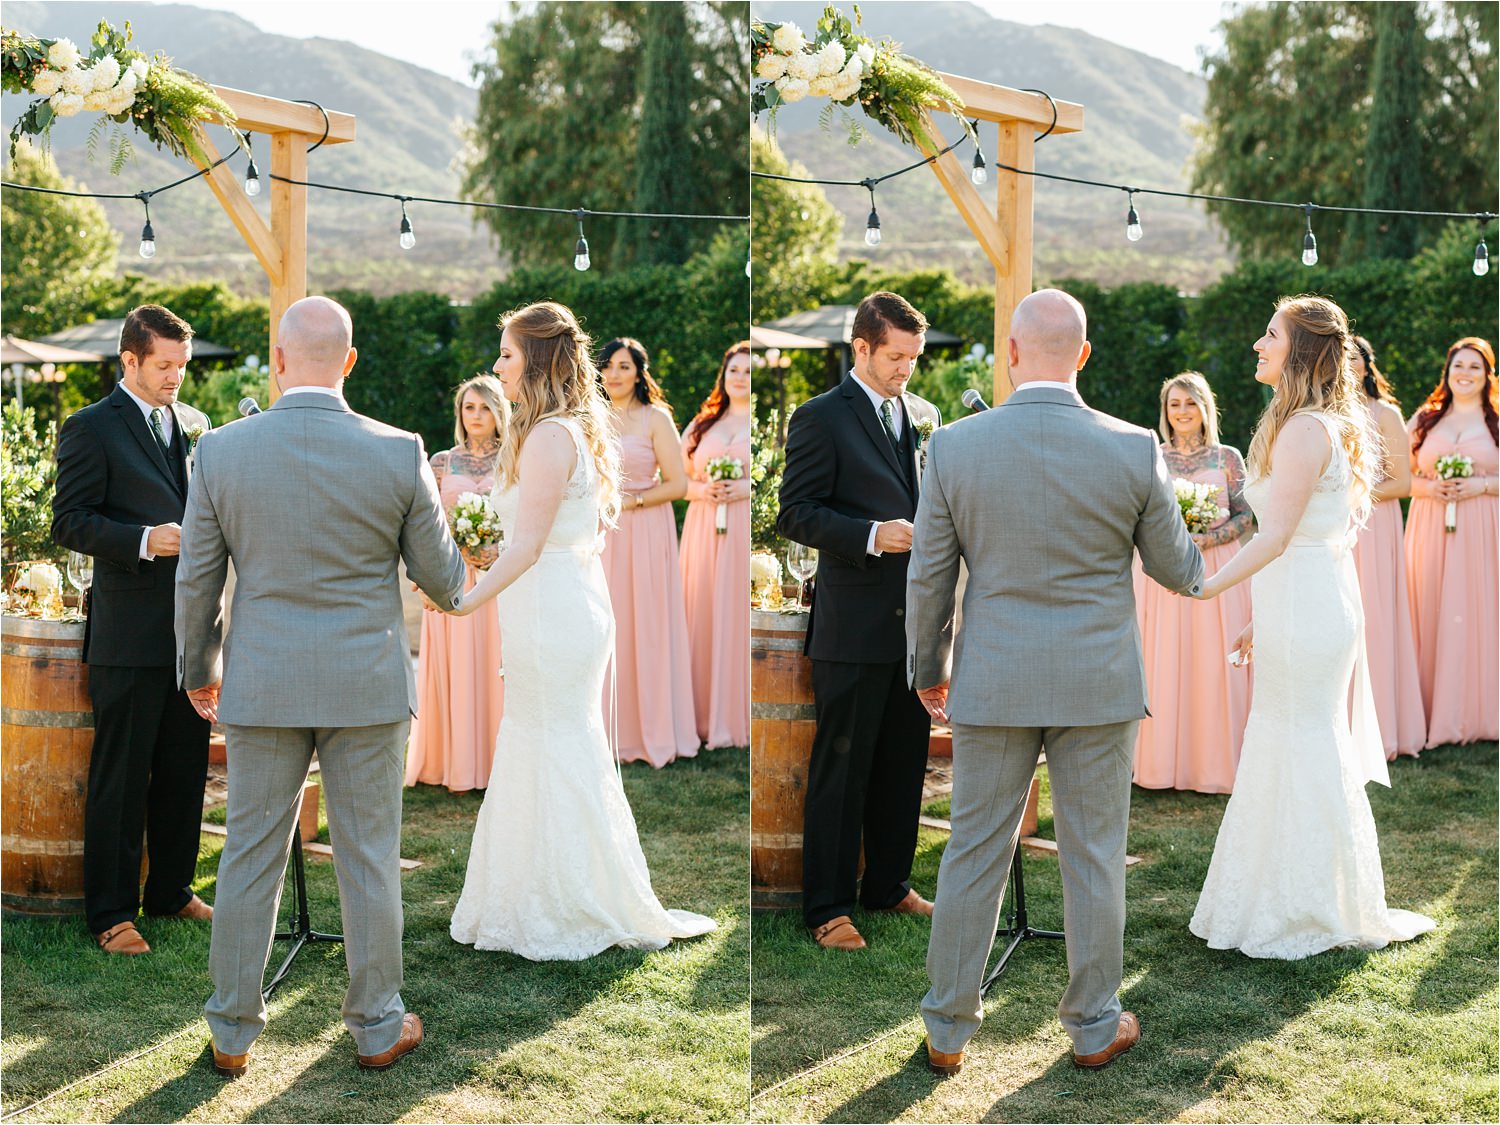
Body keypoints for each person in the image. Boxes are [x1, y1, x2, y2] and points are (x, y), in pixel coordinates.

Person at [907, 288, 1203, 1076]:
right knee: (1094, 854)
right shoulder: (1133, 446)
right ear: (1083, 355)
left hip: (993, 677)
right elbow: (1180, 569)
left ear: (1010, 354)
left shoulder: (956, 447)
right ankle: (1094, 1025)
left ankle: (946, 1029)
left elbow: (928, 577)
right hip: (1097, 681)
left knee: (973, 847)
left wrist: (927, 669)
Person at [176, 296, 467, 1076]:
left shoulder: (222, 452)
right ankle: (376, 1026)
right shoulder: (398, 449)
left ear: (276, 361)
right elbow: (443, 581)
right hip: (366, 682)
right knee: (368, 856)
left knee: (247, 855)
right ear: (349, 361)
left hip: (263, 680)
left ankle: (232, 1031)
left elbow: (196, 579)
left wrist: (200, 670)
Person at [447, 301, 716, 960]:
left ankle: (562, 902)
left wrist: (464, 599)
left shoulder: (547, 436)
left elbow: (530, 543)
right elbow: (574, 533)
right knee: (552, 740)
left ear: (535, 359)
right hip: (565, 604)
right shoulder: (571, 427)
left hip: (551, 613)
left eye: (507, 354)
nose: (498, 366)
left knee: (551, 739)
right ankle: (541, 891)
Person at [1190, 294, 1435, 960]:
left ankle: (1307, 905)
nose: (1257, 345)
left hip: (1306, 606)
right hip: (1301, 602)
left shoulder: (1306, 430)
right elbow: (1293, 543)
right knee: (1289, 737)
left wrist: (1204, 585)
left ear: (1299, 350)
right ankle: (1296, 892)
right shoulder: (1310, 421)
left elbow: (1275, 538)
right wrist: (1256, 619)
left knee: (1297, 739)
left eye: (1269, 335)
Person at [778, 293, 942, 952]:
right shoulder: (820, 417)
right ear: (863, 348)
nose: (906, 369)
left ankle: (888, 883)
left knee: (904, 762)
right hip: (853, 623)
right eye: (896, 356)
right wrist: (874, 534)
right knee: (841, 771)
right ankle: (828, 905)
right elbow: (796, 512)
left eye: (914, 358)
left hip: (914, 626)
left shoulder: (919, 416)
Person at [50, 303, 214, 957]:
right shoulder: (90, 427)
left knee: (184, 766)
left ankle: (171, 889)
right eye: (165, 365)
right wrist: (146, 539)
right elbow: (70, 521)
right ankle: (110, 911)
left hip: (188, 629)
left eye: (182, 365)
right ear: (131, 361)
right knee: (121, 778)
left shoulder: (183, 423)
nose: (176, 377)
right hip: (127, 632)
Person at [1133, 372, 1253, 793]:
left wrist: (1207, 537)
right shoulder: (1152, 456)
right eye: (1174, 404)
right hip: (1163, 570)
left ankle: (1217, 762)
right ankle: (1159, 764)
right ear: (1165, 412)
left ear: (1206, 408)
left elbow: (1246, 514)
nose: (1182, 412)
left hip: (1218, 567)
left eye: (1190, 403)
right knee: (1162, 657)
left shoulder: (1228, 458)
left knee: (1212, 659)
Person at [598, 337, 699, 767]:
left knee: (647, 625)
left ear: (639, 372)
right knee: (606, 624)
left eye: (624, 366)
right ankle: (607, 731)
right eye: (608, 367)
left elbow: (679, 485)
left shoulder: (656, 418)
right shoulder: (592, 418)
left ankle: (653, 730)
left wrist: (633, 502)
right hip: (602, 532)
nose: (615, 374)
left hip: (646, 529)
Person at [405, 376, 509, 792]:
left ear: (499, 411)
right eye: (469, 407)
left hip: (502, 574)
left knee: (499, 664)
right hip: (454, 575)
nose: (477, 416)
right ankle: (454, 761)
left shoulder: (517, 458)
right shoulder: (443, 462)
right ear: (459, 414)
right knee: (458, 665)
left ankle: (500, 762)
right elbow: (421, 523)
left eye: (485, 407)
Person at [1403, 337, 1499, 749]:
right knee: (1430, 607)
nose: (1465, 373)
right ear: (1447, 371)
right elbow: (1395, 477)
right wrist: (1428, 490)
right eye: (1459, 365)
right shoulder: (1424, 420)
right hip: (1430, 529)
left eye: (1475, 367)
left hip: (1484, 529)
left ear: (1487, 374)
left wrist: (1481, 484)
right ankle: (1428, 709)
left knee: (1482, 609)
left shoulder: (1496, 419)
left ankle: (1482, 711)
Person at [1348, 337, 1425, 759]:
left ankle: (1378, 730)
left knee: (1372, 620)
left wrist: (1348, 495)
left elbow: (1403, 483)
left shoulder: (1386, 414)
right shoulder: (1320, 414)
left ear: (1366, 366)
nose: (1345, 365)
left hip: (1374, 527)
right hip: (1330, 529)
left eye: (1353, 358)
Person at [680, 342, 752, 751]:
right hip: (703, 528)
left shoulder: (761, 425)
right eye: (733, 370)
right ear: (723, 377)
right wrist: (704, 490)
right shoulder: (701, 424)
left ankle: (735, 714)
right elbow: (675, 481)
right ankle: (701, 716)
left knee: (735, 612)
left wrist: (742, 488)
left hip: (740, 526)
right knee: (702, 610)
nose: (739, 377)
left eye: (747, 371)